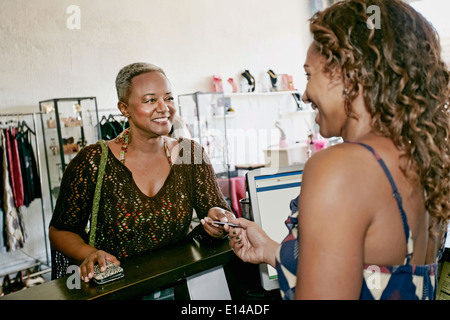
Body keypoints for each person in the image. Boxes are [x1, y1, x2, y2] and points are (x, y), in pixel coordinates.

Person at [226, 0, 450, 300]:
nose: (305, 95)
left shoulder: (341, 168)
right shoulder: (421, 159)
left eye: (308, 75)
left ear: (348, 73)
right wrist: (272, 250)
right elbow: (373, 272)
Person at [49, 62, 234, 282]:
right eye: (150, 100)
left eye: (169, 98)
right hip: (118, 289)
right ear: (124, 108)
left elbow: (218, 210)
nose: (164, 107)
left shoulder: (190, 153)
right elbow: (60, 231)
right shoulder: (94, 161)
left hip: (179, 283)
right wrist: (90, 254)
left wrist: (220, 221)